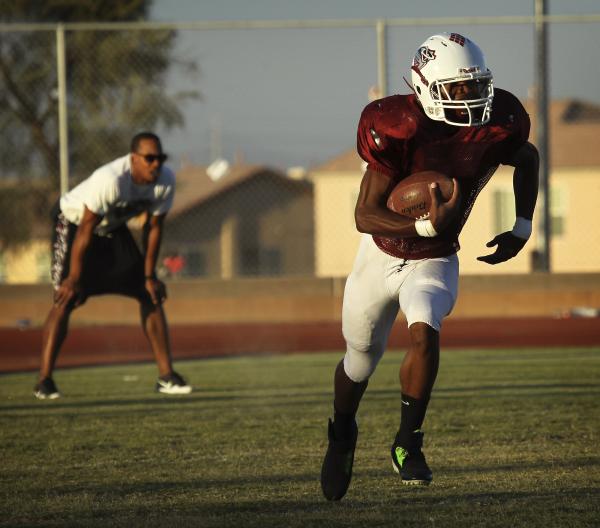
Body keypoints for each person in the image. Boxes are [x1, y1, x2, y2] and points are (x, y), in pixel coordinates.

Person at [320, 33, 539, 500]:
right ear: (425, 86)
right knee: (359, 361)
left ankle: (408, 442)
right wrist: (420, 226)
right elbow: (365, 216)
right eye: (458, 88)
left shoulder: (498, 119)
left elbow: (527, 157)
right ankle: (342, 434)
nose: (472, 98)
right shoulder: (396, 124)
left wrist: (522, 226)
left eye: (476, 85)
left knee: (425, 328)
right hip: (380, 254)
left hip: (435, 259)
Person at [34, 132, 192, 399]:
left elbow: (153, 228)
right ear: (134, 159)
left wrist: (149, 274)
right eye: (149, 158)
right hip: (73, 223)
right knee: (67, 296)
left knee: (148, 293)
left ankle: (167, 377)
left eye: (160, 158)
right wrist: (73, 277)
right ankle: (44, 381)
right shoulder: (111, 180)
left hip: (112, 229)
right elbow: (86, 228)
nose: (156, 164)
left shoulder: (165, 180)